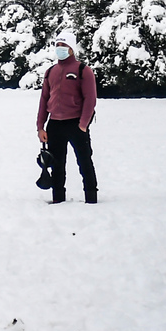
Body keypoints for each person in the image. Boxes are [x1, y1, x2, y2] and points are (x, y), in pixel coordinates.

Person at [36, 30, 98, 204]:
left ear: (71, 48)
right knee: (56, 164)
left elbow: (90, 99)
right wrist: (40, 126)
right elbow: (44, 99)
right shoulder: (50, 72)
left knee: (84, 162)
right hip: (54, 125)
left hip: (76, 123)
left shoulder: (83, 70)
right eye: (57, 45)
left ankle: (91, 197)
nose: (60, 48)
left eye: (64, 45)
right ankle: (58, 198)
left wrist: (83, 124)